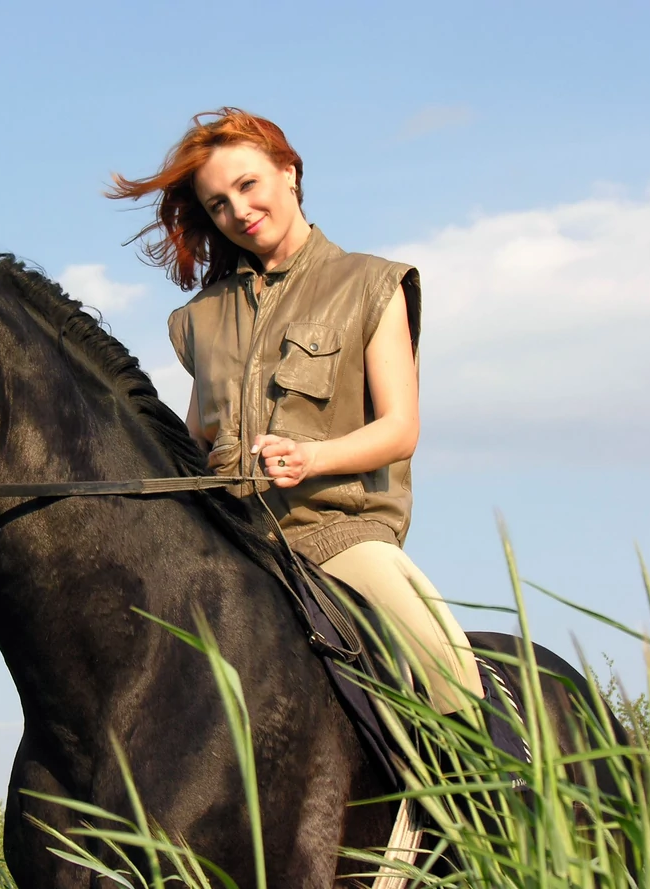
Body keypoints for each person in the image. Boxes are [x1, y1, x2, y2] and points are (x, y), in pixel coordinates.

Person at [109, 108, 483, 716]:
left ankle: (487, 801)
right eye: (217, 204)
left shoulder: (371, 284)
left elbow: (399, 430)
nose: (237, 210)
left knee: (450, 672)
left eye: (247, 185)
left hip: (339, 535)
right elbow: (195, 441)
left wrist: (313, 457)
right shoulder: (200, 318)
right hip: (231, 541)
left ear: (289, 173)